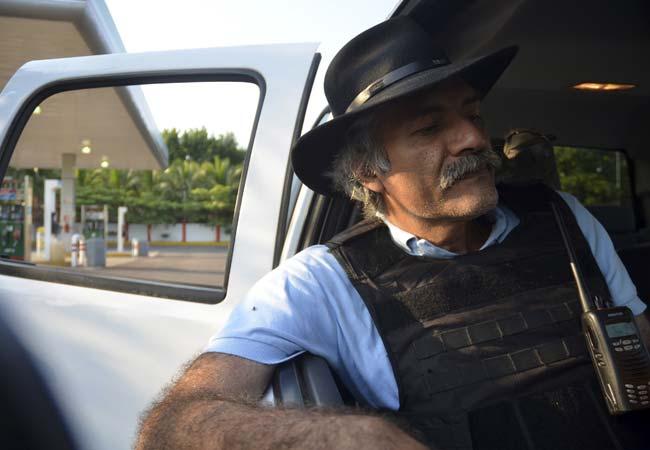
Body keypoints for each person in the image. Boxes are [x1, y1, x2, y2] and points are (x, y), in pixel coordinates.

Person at [136, 17, 649, 450]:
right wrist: (349, 434)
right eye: (429, 128)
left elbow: (640, 346)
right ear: (368, 172)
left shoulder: (563, 217)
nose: (473, 137)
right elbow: (172, 425)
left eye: (472, 114)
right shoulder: (320, 284)